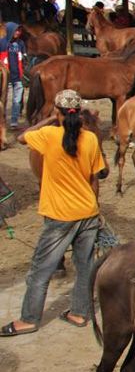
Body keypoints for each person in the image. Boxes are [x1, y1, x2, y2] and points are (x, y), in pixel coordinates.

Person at [2, 91, 105, 337]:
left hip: (60, 215)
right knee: (84, 266)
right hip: (88, 212)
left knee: (40, 269)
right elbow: (95, 176)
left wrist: (48, 120)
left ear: (57, 113)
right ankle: (80, 313)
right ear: (79, 114)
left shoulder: (49, 135)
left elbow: (21, 137)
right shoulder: (90, 139)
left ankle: (29, 319)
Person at [1, 24, 27, 129]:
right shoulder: (2, 42)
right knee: (3, 101)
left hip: (18, 77)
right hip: (5, 79)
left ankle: (14, 121)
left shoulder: (21, 43)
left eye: (19, 31)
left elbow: (24, 58)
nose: (18, 33)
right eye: (16, 30)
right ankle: (2, 120)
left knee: (17, 101)